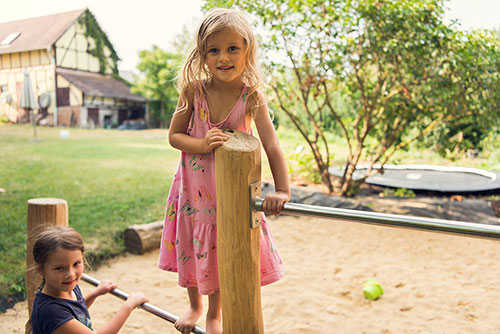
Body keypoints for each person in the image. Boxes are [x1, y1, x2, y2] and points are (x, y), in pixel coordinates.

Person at [158, 7, 291, 334]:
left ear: (247, 50)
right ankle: (194, 306)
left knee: (221, 251)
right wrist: (201, 144)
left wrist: (283, 190)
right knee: (193, 247)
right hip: (193, 194)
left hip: (230, 197)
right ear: (202, 55)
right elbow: (174, 136)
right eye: (214, 50)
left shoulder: (251, 97)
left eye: (233, 48)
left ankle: (214, 314)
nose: (224, 57)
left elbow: (272, 146)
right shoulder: (194, 92)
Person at [25, 226, 149, 334]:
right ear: (41, 269)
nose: (70, 274)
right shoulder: (51, 312)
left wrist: (96, 293)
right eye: (59, 268)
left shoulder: (68, 287)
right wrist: (129, 305)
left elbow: (76, 311)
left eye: (76, 264)